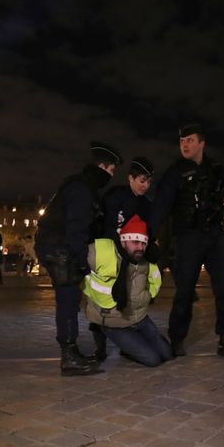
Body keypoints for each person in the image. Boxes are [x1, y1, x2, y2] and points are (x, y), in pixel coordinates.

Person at [149, 124, 224, 359]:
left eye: (190, 140)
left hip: (215, 235)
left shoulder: (217, 169)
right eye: (182, 141)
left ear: (202, 143)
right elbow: (160, 206)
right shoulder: (175, 172)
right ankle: (177, 340)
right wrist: (149, 236)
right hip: (188, 237)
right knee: (185, 291)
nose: (185, 145)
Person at [35, 141, 123, 376]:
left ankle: (70, 352)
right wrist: (82, 261)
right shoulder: (82, 189)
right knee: (68, 299)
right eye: (112, 171)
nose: (112, 176)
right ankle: (69, 356)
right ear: (103, 166)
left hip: (57, 246)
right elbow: (77, 228)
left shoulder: (82, 186)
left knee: (69, 298)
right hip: (59, 248)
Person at [83, 215, 172, 367]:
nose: (140, 248)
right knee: (153, 360)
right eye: (135, 242)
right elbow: (77, 255)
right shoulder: (104, 253)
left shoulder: (145, 259)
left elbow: (155, 279)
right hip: (114, 322)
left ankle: (137, 344)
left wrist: (148, 296)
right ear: (123, 241)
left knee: (168, 355)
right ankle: (112, 337)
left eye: (143, 243)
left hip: (140, 318)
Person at [92, 156, 156, 361]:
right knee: (102, 299)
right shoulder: (115, 195)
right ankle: (100, 344)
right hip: (109, 254)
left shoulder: (146, 204)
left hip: (132, 258)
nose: (145, 186)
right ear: (131, 178)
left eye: (149, 182)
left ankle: (128, 340)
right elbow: (106, 225)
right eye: (142, 180)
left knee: (128, 297)